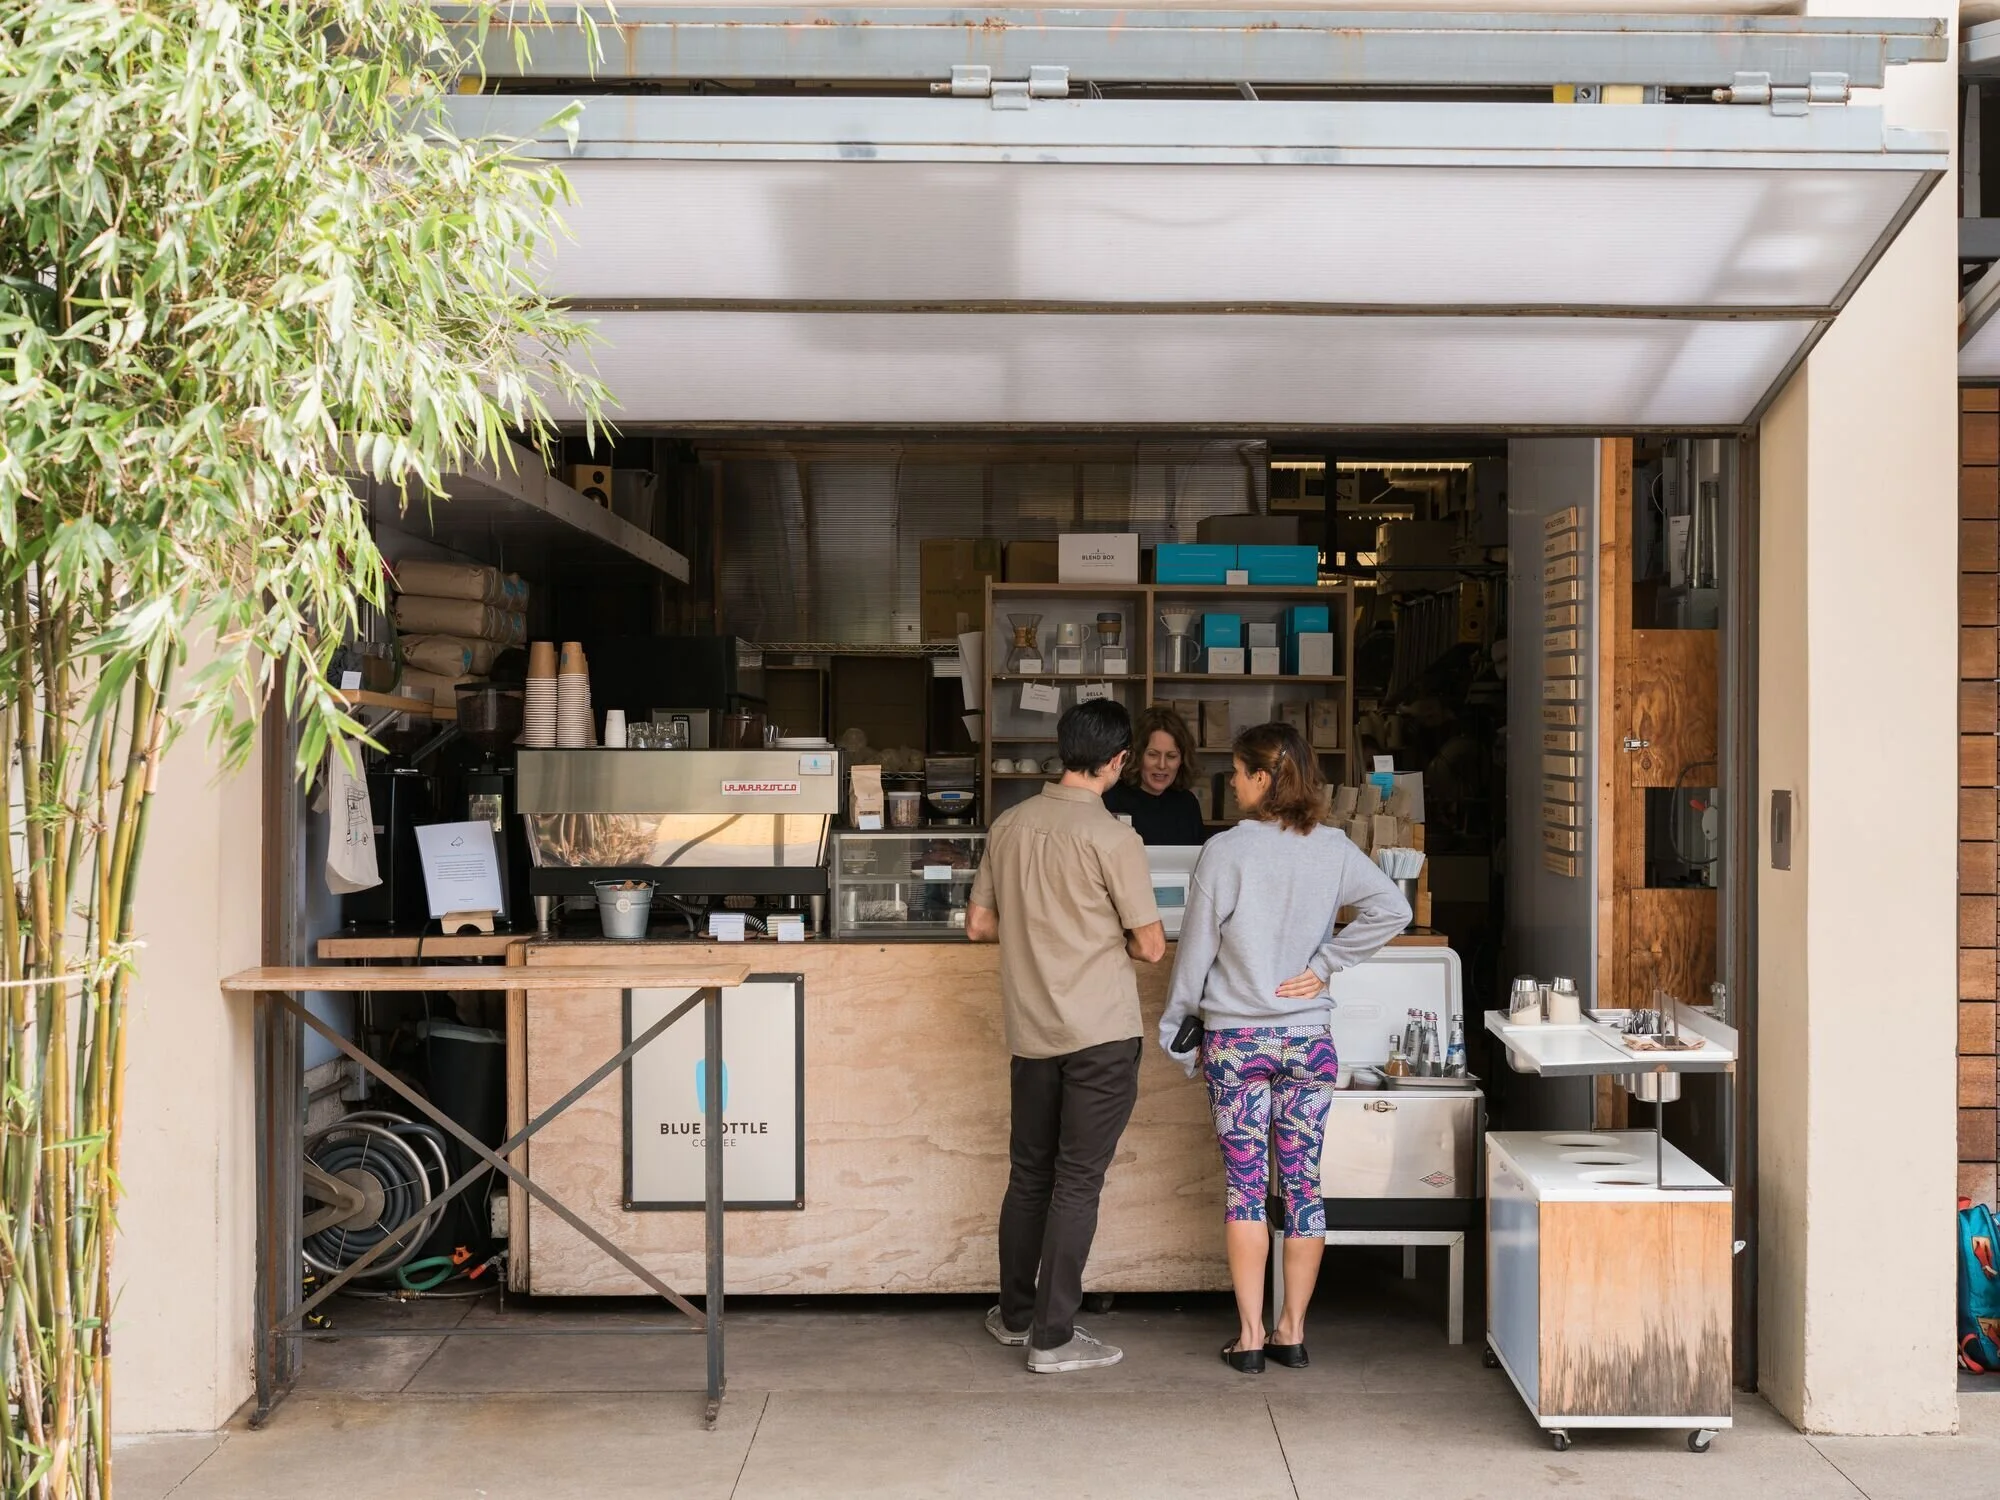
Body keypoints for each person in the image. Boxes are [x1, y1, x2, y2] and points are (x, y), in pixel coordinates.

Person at [1157, 721, 1409, 1375]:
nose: (1232, 783)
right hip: (1308, 1041)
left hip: (1237, 1042)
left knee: (1245, 1188)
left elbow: (1196, 952)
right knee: (1303, 1187)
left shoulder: (1225, 851)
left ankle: (1248, 1338)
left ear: (1264, 779)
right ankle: (1291, 1330)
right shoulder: (1332, 846)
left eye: (1238, 773)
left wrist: (1177, 1026)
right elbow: (1393, 909)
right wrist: (1328, 963)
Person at [967, 697, 1166, 1373]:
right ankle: (1052, 1339)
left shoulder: (1010, 825)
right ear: (1118, 761)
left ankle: (1015, 1314)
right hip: (1100, 1034)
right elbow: (1152, 945)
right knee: (1077, 1182)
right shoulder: (1115, 838)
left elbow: (979, 925)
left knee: (1029, 1176)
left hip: (1032, 1031)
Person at [1102, 704, 1208, 846]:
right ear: (1136, 755)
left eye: (1171, 756)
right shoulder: (1110, 800)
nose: (1162, 765)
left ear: (1182, 760)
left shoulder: (1188, 803)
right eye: (1153, 755)